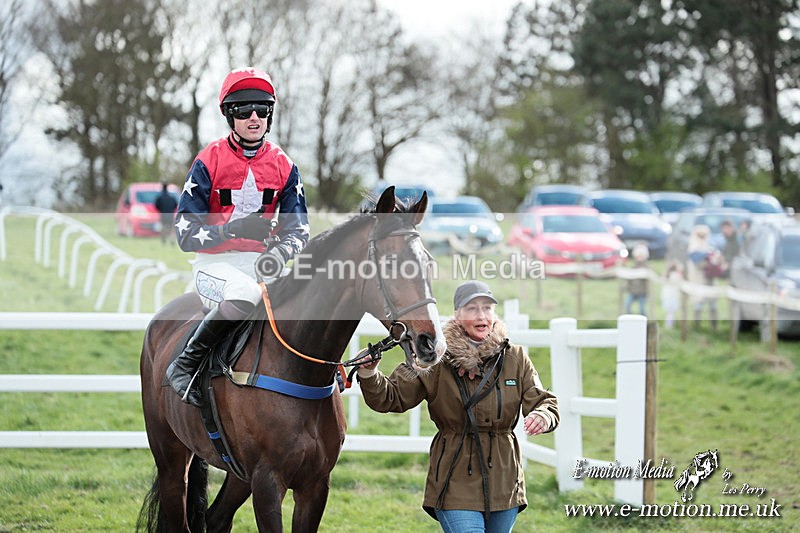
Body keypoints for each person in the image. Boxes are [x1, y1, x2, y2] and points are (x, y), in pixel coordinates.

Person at [357, 281, 559, 532]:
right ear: (457, 315)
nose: (481, 315)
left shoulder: (514, 357)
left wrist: (543, 415)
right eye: (472, 308)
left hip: (505, 482)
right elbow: (391, 397)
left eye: (487, 308)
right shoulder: (433, 357)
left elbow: (543, 400)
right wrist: (369, 374)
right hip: (454, 479)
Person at [167, 67, 309, 406]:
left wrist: (280, 251)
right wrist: (233, 230)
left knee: (309, 298)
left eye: (263, 109)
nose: (255, 117)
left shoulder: (285, 165)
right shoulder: (208, 160)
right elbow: (184, 234)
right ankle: (184, 364)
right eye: (244, 111)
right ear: (230, 115)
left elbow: (299, 229)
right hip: (213, 266)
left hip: (262, 264)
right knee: (244, 292)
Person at [686, 224, 724, 330]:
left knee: (712, 305)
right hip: (699, 280)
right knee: (699, 304)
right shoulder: (693, 248)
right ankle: (696, 326)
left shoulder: (710, 246)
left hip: (710, 280)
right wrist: (709, 263)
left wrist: (715, 262)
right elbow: (697, 265)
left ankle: (714, 326)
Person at [624, 243, 650, 316]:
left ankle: (645, 323)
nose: (639, 258)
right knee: (627, 305)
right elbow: (629, 279)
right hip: (632, 291)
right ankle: (631, 319)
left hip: (642, 292)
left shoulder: (646, 267)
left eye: (641, 256)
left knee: (642, 309)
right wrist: (628, 288)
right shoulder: (633, 267)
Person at [660, 260, 684, 329]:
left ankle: (668, 325)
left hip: (666, 296)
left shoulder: (666, 275)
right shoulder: (676, 275)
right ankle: (669, 326)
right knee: (671, 312)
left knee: (669, 312)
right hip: (673, 297)